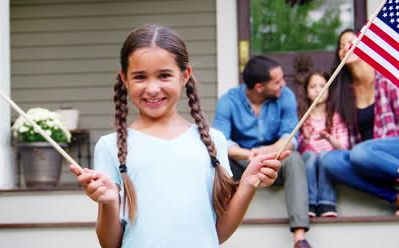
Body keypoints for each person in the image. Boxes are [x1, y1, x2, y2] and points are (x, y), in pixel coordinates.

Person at [69, 24, 289, 248]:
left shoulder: (213, 142)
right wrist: (109, 203)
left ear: (184, 76)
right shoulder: (109, 146)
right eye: (140, 77)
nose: (153, 88)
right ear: (125, 80)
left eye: (164, 75)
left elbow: (217, 234)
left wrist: (248, 184)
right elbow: (109, 243)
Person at [213, 56, 311, 248]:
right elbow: (221, 142)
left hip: (276, 158)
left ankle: (300, 238)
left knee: (295, 159)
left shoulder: (286, 96)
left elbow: (289, 139)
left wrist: (264, 152)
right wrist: (248, 155)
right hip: (241, 163)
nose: (283, 83)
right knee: (216, 160)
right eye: (277, 81)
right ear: (259, 87)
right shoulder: (228, 100)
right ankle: (216, 227)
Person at [320, 29, 399, 216]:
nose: (344, 48)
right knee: (329, 160)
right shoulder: (345, 93)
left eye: (351, 42)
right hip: (366, 158)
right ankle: (395, 197)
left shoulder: (386, 79)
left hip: (392, 149)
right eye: (341, 46)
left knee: (361, 152)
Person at [297, 71, 349, 218]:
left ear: (328, 91)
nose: (317, 90)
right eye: (313, 86)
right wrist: (305, 137)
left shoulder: (335, 117)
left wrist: (328, 137)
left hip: (329, 158)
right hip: (308, 161)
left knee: (325, 157)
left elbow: (343, 147)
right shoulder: (302, 116)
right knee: (310, 156)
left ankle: (327, 202)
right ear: (306, 91)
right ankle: (310, 203)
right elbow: (296, 146)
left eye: (322, 86)